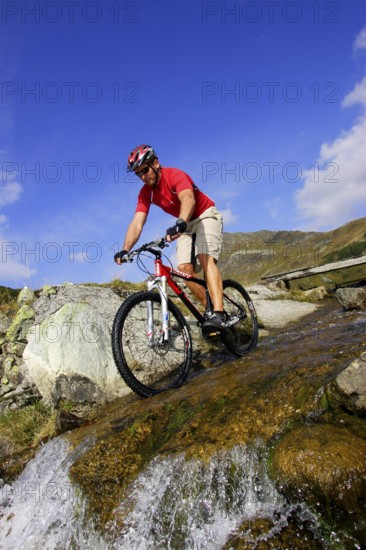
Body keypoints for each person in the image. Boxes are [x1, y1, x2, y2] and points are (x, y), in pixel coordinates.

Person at [114, 144, 226, 330]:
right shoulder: (145, 193)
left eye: (144, 170)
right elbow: (137, 222)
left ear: (155, 163)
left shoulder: (174, 175)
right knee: (183, 269)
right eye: (138, 174)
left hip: (205, 214)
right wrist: (126, 249)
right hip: (186, 224)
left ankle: (220, 314)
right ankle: (210, 311)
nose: (143, 176)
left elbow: (188, 198)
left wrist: (181, 222)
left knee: (206, 259)